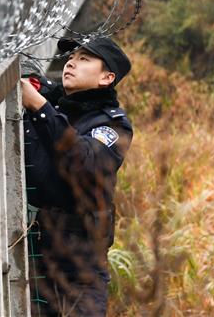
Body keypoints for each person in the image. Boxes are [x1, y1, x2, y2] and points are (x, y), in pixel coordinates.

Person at [20, 36, 133, 316]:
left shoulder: (112, 125)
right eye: (71, 57)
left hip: (81, 267)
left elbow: (85, 165)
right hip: (37, 254)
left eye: (84, 59)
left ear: (107, 77)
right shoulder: (59, 103)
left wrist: (39, 108)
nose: (71, 62)